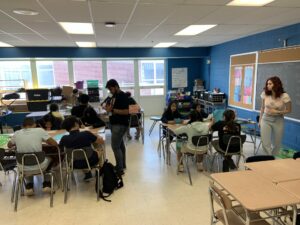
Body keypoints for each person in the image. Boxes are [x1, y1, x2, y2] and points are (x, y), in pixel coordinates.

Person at [7, 118, 58, 195]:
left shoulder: (17, 133)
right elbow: (54, 144)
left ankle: (29, 186)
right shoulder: (39, 131)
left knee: (27, 161)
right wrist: (42, 140)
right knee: (51, 157)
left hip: (22, 168)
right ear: (34, 124)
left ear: (22, 126)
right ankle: (47, 184)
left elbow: (9, 145)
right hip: (40, 166)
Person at [60, 116, 104, 181]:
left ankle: (88, 174)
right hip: (90, 161)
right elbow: (101, 141)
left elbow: (61, 148)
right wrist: (97, 135)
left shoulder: (64, 138)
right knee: (100, 149)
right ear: (76, 124)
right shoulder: (86, 134)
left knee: (79, 154)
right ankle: (99, 171)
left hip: (73, 164)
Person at [259, 76, 291, 156]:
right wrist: (260, 120)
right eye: (267, 84)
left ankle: (273, 158)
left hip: (278, 120)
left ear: (276, 84)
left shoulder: (285, 96)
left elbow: (289, 110)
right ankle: (268, 160)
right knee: (265, 143)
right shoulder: (265, 93)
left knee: (277, 143)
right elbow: (262, 107)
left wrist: (277, 112)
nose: (267, 86)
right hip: (265, 119)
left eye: (270, 84)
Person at [104, 79, 129, 176]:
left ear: (116, 86)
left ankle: (119, 168)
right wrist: (107, 108)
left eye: (111, 88)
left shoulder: (123, 96)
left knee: (115, 146)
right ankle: (122, 165)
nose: (110, 91)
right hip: (114, 123)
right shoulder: (113, 96)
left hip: (120, 124)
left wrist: (113, 110)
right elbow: (110, 108)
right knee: (120, 145)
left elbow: (126, 111)